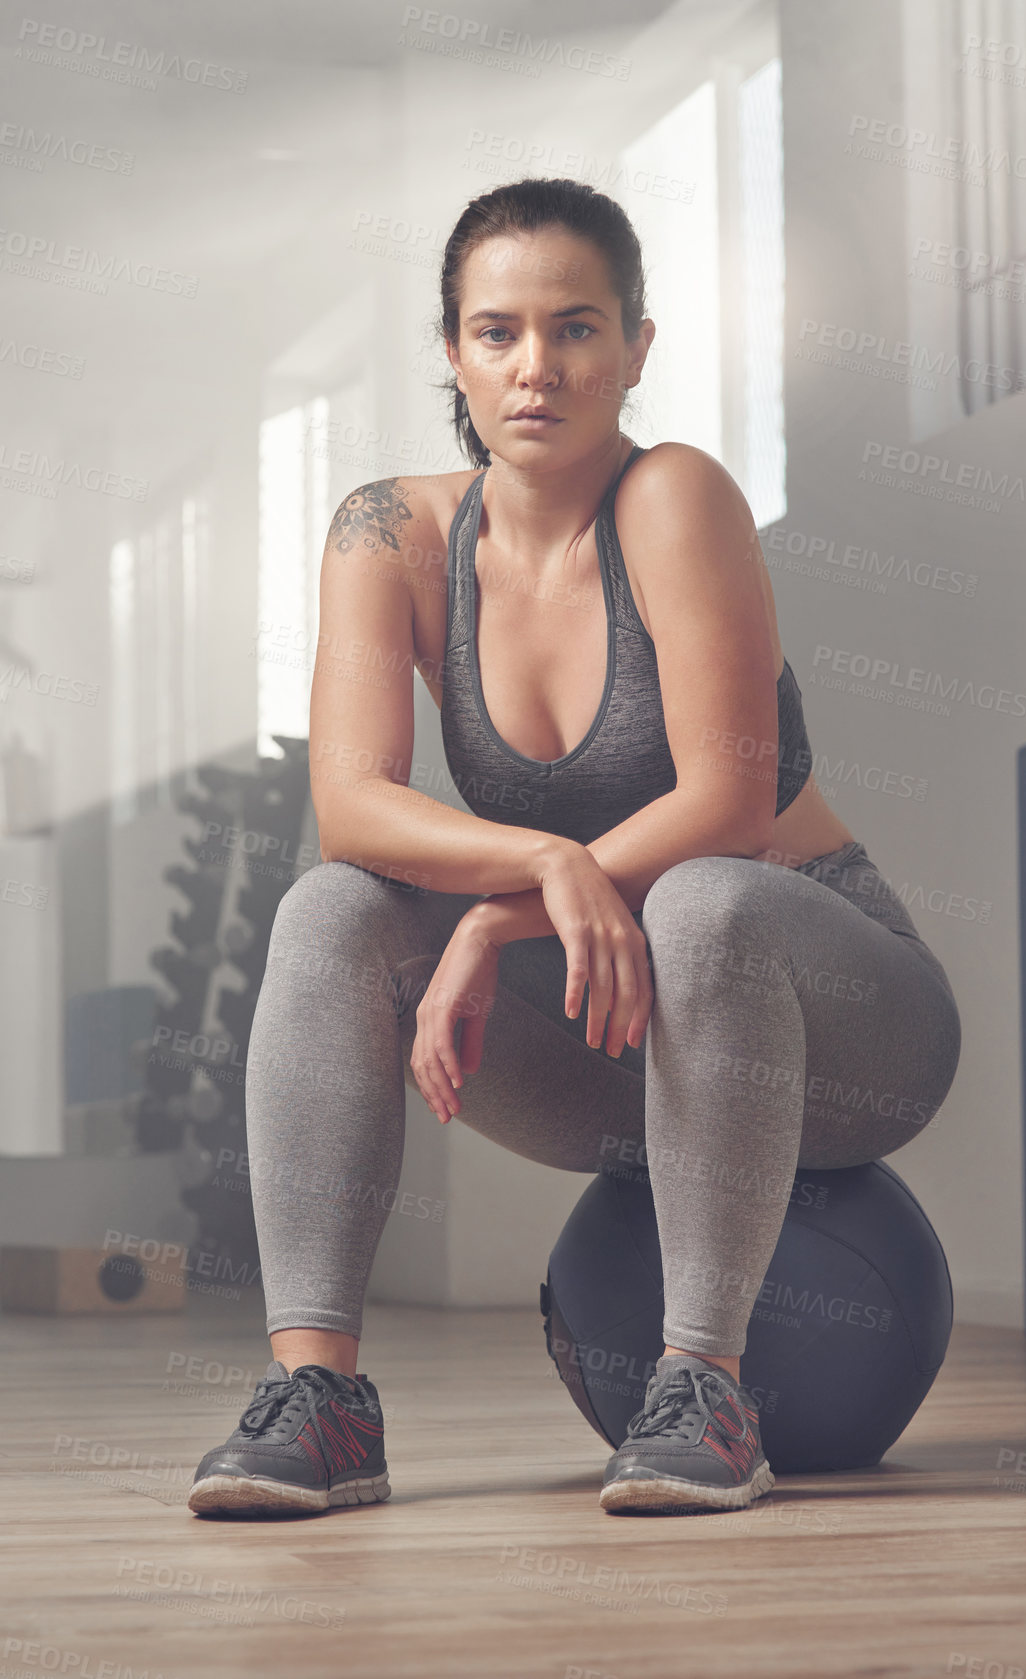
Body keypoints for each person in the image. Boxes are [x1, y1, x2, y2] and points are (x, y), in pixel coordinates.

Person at [187, 176, 961, 1520]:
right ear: (451, 352)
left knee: (709, 902)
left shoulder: (673, 498)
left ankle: (706, 1389)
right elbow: (353, 810)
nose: (535, 367)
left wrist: (500, 911)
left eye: (577, 328)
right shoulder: (392, 532)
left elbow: (731, 801)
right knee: (330, 912)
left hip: (840, 1018)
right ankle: (320, 1400)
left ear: (637, 349)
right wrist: (543, 870)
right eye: (497, 332)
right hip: (619, 1043)